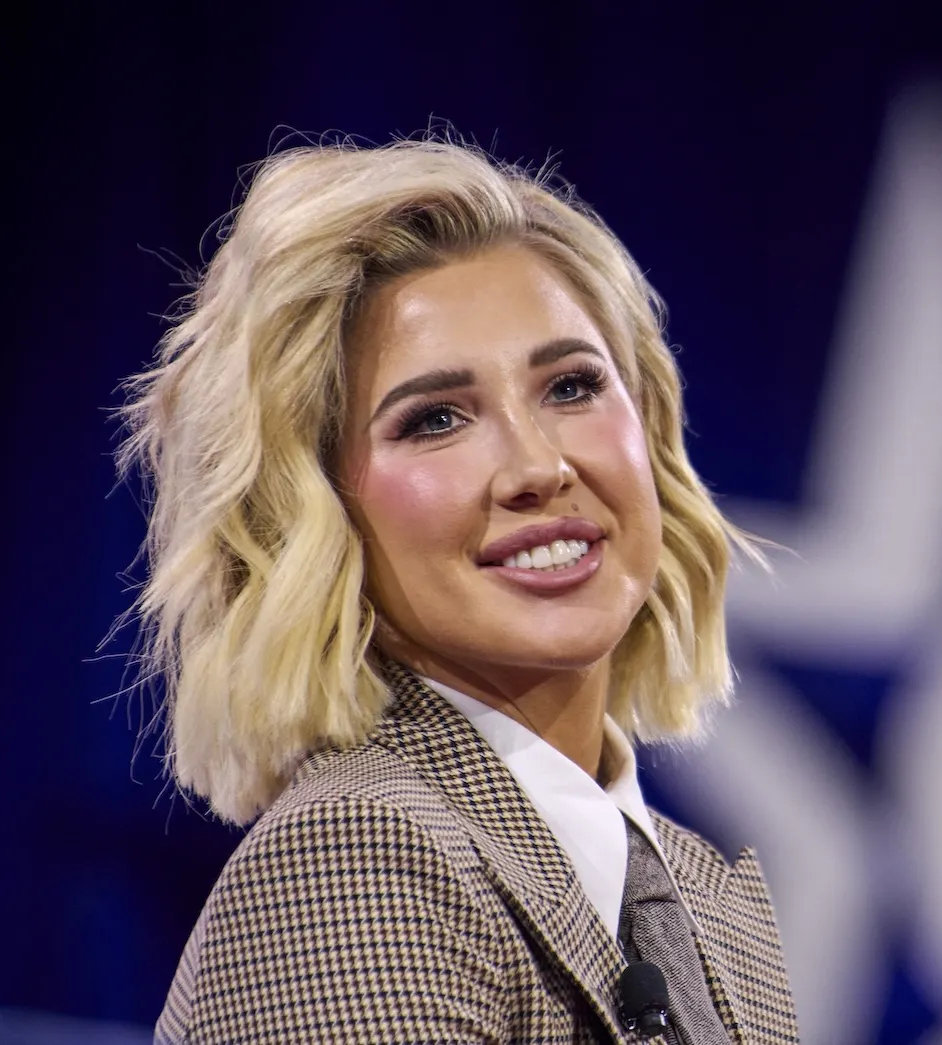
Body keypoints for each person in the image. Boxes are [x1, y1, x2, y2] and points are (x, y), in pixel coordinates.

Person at [116, 137, 798, 1044]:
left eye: (572, 385)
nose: (539, 466)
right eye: (436, 418)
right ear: (314, 513)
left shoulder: (706, 900)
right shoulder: (357, 865)